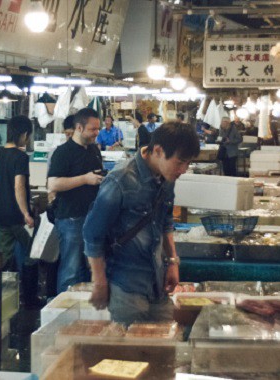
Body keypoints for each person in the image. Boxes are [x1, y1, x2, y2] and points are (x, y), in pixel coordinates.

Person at [84, 122, 200, 324]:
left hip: (158, 284)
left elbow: (166, 220)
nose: (184, 170)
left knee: (164, 347)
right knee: (130, 352)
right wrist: (100, 283)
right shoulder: (120, 181)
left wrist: (172, 261)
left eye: (188, 163)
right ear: (158, 150)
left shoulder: (167, 177)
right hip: (126, 286)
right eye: (180, 162)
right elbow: (92, 235)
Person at [47, 108, 104, 293]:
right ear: (79, 127)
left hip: (93, 218)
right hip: (71, 219)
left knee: (89, 269)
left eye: (98, 129)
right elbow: (53, 183)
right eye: (93, 129)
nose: (97, 133)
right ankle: (61, 313)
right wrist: (85, 179)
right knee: (71, 270)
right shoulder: (63, 152)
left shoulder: (94, 150)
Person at [0, 115, 34, 273]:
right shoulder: (20, 157)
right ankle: (29, 295)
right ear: (24, 134)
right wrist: (26, 213)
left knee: (5, 259)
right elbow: (19, 186)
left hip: (0, 216)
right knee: (33, 252)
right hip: (17, 216)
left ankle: (5, 294)